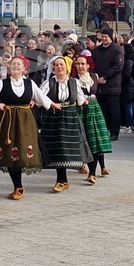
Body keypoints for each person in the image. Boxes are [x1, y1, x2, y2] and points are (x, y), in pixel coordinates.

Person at [0, 56, 55, 199]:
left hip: (25, 121)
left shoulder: (30, 83)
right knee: (10, 152)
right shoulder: (2, 83)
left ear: (24, 69)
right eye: (13, 64)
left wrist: (50, 105)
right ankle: (18, 186)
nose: (16, 66)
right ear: (9, 67)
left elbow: (43, 99)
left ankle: (19, 185)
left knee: (24, 150)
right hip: (8, 121)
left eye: (19, 64)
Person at [37, 56, 92, 190]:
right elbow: (39, 97)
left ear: (67, 67)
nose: (59, 67)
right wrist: (51, 103)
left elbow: (80, 100)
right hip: (53, 117)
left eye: (61, 65)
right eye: (56, 65)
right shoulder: (48, 83)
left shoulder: (74, 82)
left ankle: (68, 177)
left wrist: (86, 101)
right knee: (57, 148)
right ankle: (61, 180)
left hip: (70, 116)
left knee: (69, 147)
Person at [74, 54, 113, 177]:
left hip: (94, 108)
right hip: (80, 109)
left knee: (97, 137)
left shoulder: (93, 76)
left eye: (83, 64)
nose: (80, 66)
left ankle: (101, 167)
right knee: (84, 138)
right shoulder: (73, 79)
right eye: (78, 64)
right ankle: (83, 166)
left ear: (88, 65)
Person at [91, 28, 124, 140]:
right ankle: (103, 131)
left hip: (112, 85)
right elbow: (92, 65)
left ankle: (115, 132)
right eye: (103, 36)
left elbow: (117, 66)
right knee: (102, 110)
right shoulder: (96, 50)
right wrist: (96, 77)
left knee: (114, 110)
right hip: (99, 84)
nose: (104, 39)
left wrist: (105, 77)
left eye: (106, 36)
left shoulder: (117, 49)